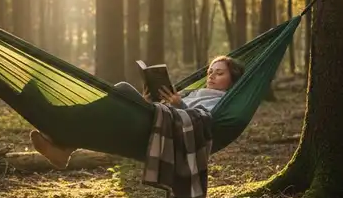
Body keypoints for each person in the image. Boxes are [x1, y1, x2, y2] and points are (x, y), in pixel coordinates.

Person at [30, 55, 245, 168]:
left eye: (219, 73)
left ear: (232, 80)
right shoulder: (197, 91)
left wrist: (179, 104)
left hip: (166, 132)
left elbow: (203, 122)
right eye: (210, 72)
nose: (211, 76)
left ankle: (57, 125)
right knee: (111, 108)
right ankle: (64, 146)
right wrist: (147, 102)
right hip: (156, 120)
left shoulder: (223, 102)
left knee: (122, 90)